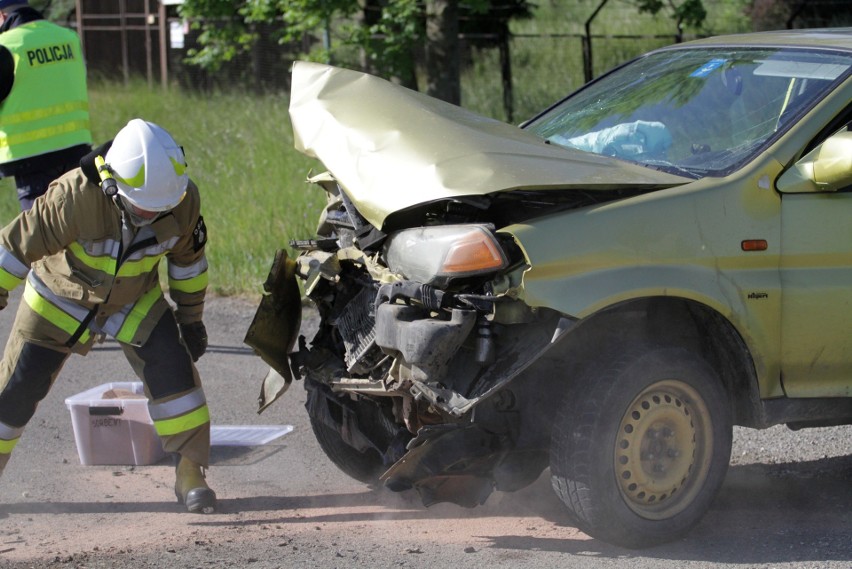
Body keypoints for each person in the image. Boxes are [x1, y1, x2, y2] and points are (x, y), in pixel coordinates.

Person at [0, 118, 216, 514]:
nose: (151, 216)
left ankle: (190, 473)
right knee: (15, 390)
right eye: (142, 208)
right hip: (61, 296)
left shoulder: (182, 202)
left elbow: (188, 264)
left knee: (176, 377)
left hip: (135, 300)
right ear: (113, 185)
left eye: (160, 209)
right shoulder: (74, 197)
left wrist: (191, 319)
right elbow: (15, 246)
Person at [0, 0, 92, 211]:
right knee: (78, 227)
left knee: (46, 237)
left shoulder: (6, 45)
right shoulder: (68, 37)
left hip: (31, 161)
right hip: (76, 151)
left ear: (2, 16)